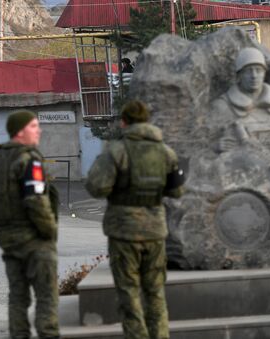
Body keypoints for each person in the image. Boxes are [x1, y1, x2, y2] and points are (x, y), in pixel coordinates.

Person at [85, 100, 185, 339]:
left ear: (124, 122)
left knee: (129, 295)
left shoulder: (115, 151)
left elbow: (96, 188)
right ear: (147, 121)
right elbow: (177, 191)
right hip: (155, 232)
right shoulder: (166, 152)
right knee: (155, 293)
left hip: (124, 234)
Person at [0, 110, 60, 339]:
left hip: (9, 241)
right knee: (47, 297)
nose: (39, 131)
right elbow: (36, 200)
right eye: (34, 126)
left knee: (17, 297)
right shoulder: (28, 159)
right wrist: (50, 231)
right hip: (35, 241)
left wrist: (3, 231)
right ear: (20, 131)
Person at [211, 47, 270, 154]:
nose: (254, 76)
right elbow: (197, 144)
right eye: (248, 71)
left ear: (264, 73)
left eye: (258, 70)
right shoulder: (222, 106)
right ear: (239, 75)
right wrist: (214, 146)